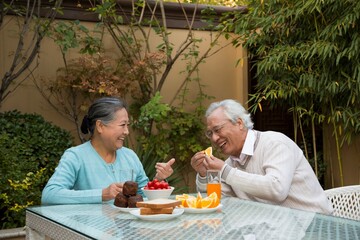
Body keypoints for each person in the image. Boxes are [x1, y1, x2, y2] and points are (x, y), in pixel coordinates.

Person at [191, 99, 333, 214]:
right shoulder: (230, 163)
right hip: (276, 229)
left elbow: (277, 190)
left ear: (239, 123)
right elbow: (216, 200)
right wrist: (204, 175)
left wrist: (225, 171)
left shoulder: (274, 143)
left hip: (314, 224)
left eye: (217, 129)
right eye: (210, 133)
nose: (214, 138)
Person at [42, 97, 175, 205]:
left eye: (127, 125)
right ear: (100, 126)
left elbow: (145, 197)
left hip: (128, 233)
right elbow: (50, 195)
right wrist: (102, 194)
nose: (127, 132)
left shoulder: (130, 156)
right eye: (122, 125)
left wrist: (158, 180)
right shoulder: (75, 156)